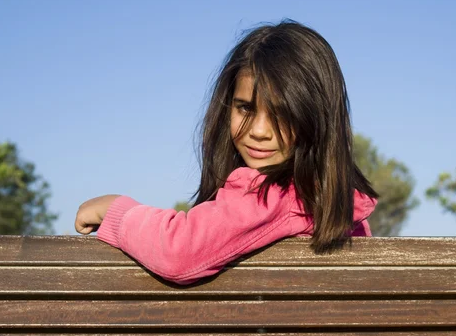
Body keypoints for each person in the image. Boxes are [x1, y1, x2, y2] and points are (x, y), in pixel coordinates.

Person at [75, 20, 378, 285]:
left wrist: (116, 209)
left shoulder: (274, 197)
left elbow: (177, 252)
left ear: (316, 119)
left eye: (282, 115)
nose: (259, 130)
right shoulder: (340, 207)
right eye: (245, 107)